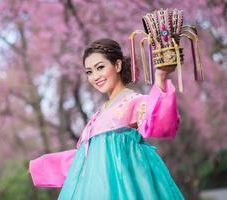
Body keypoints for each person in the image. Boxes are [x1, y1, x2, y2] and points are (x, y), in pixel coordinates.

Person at [29, 38, 184, 199]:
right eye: (89, 72)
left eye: (100, 67)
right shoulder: (98, 115)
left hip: (125, 189)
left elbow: (160, 123)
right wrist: (42, 166)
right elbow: (88, 158)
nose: (95, 76)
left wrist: (161, 77)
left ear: (117, 65)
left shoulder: (134, 101)